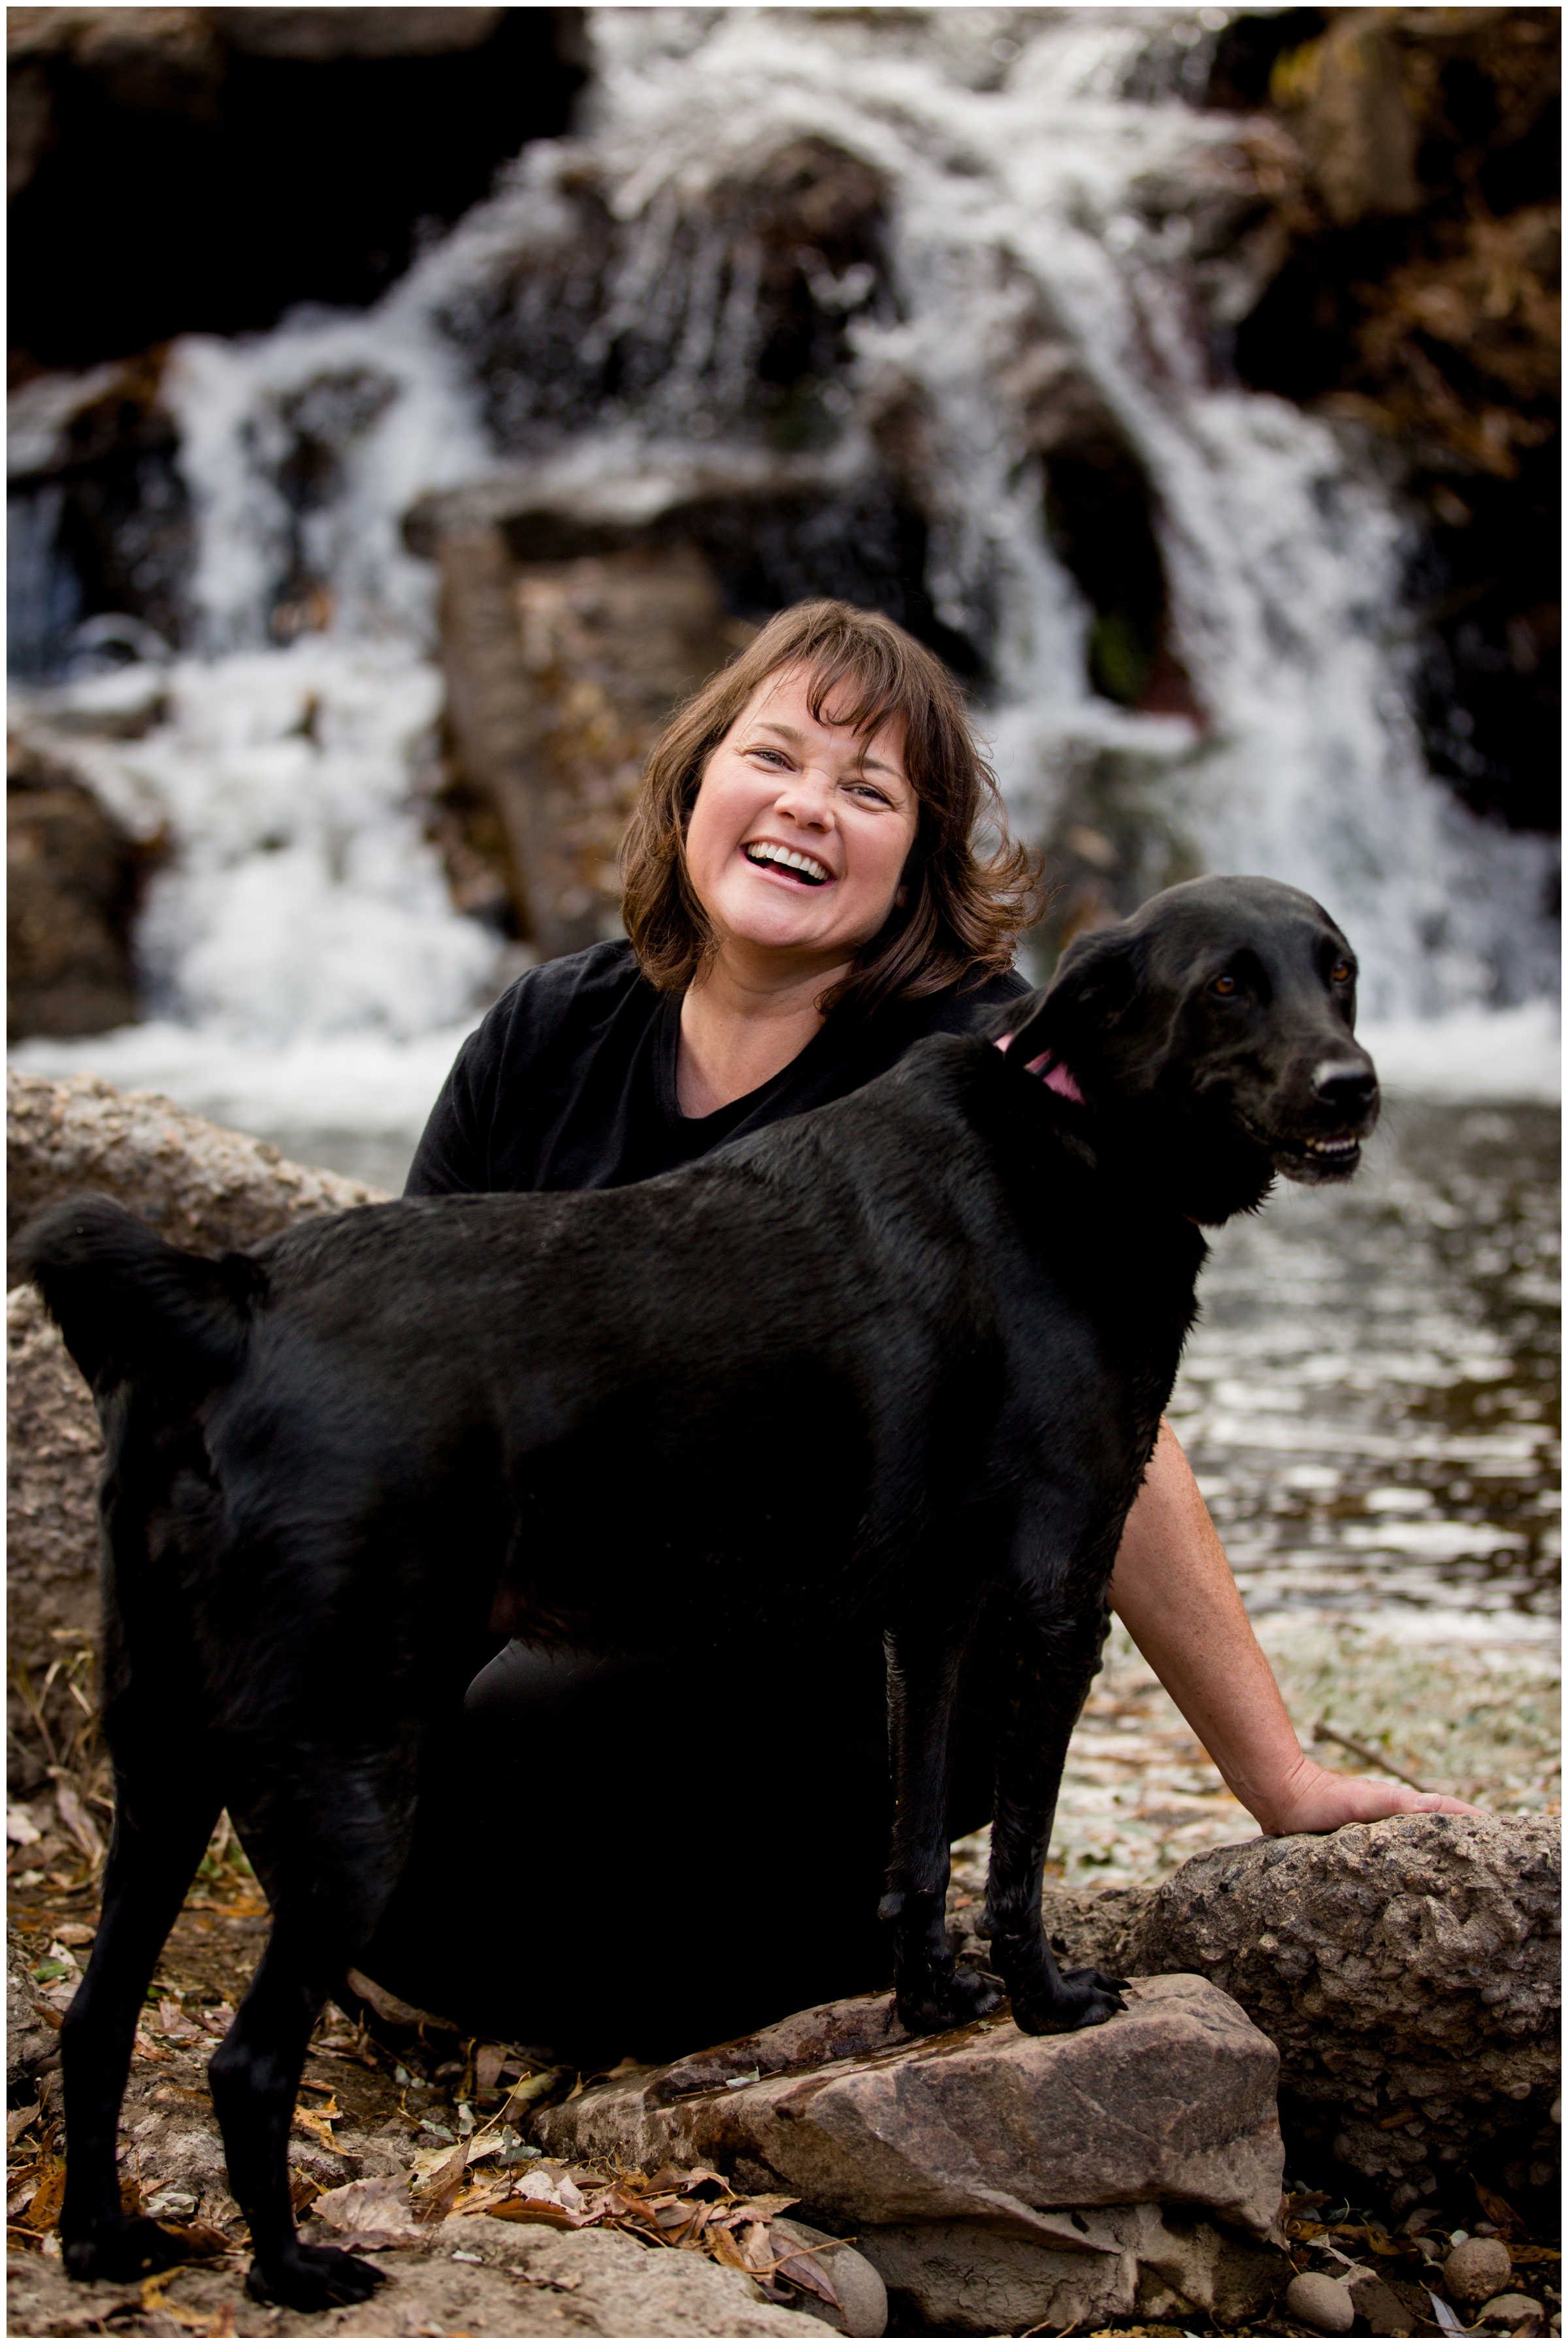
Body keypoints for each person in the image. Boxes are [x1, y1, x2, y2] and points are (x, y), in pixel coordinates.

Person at [363, 600, 1477, 2059]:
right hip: (571, 1588)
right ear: (696, 779)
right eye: (775, 757)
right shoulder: (546, 1035)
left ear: (920, 859)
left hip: (838, 1665)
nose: (808, 809)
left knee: (578, 1698)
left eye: (869, 791)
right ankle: (526, 1962)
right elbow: (418, 1375)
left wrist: (1278, 1780)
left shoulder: (1007, 1081)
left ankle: (763, 1954)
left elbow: (1117, 1443)